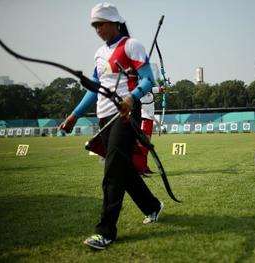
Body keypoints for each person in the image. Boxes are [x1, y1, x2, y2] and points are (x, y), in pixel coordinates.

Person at [58, 2, 163, 250]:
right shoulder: (99, 53)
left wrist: (131, 97)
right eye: (94, 25)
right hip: (104, 118)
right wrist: (74, 115)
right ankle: (152, 206)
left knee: (112, 173)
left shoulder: (131, 45)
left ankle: (105, 232)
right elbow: (94, 88)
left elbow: (149, 79)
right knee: (122, 169)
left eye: (101, 24)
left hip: (125, 116)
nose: (98, 29)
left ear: (115, 22)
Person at [133, 86, 164, 176]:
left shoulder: (148, 89)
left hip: (149, 120)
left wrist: (162, 88)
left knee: (146, 146)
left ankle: (144, 167)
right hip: (144, 119)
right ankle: (139, 169)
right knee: (142, 145)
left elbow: (157, 89)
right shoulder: (139, 91)